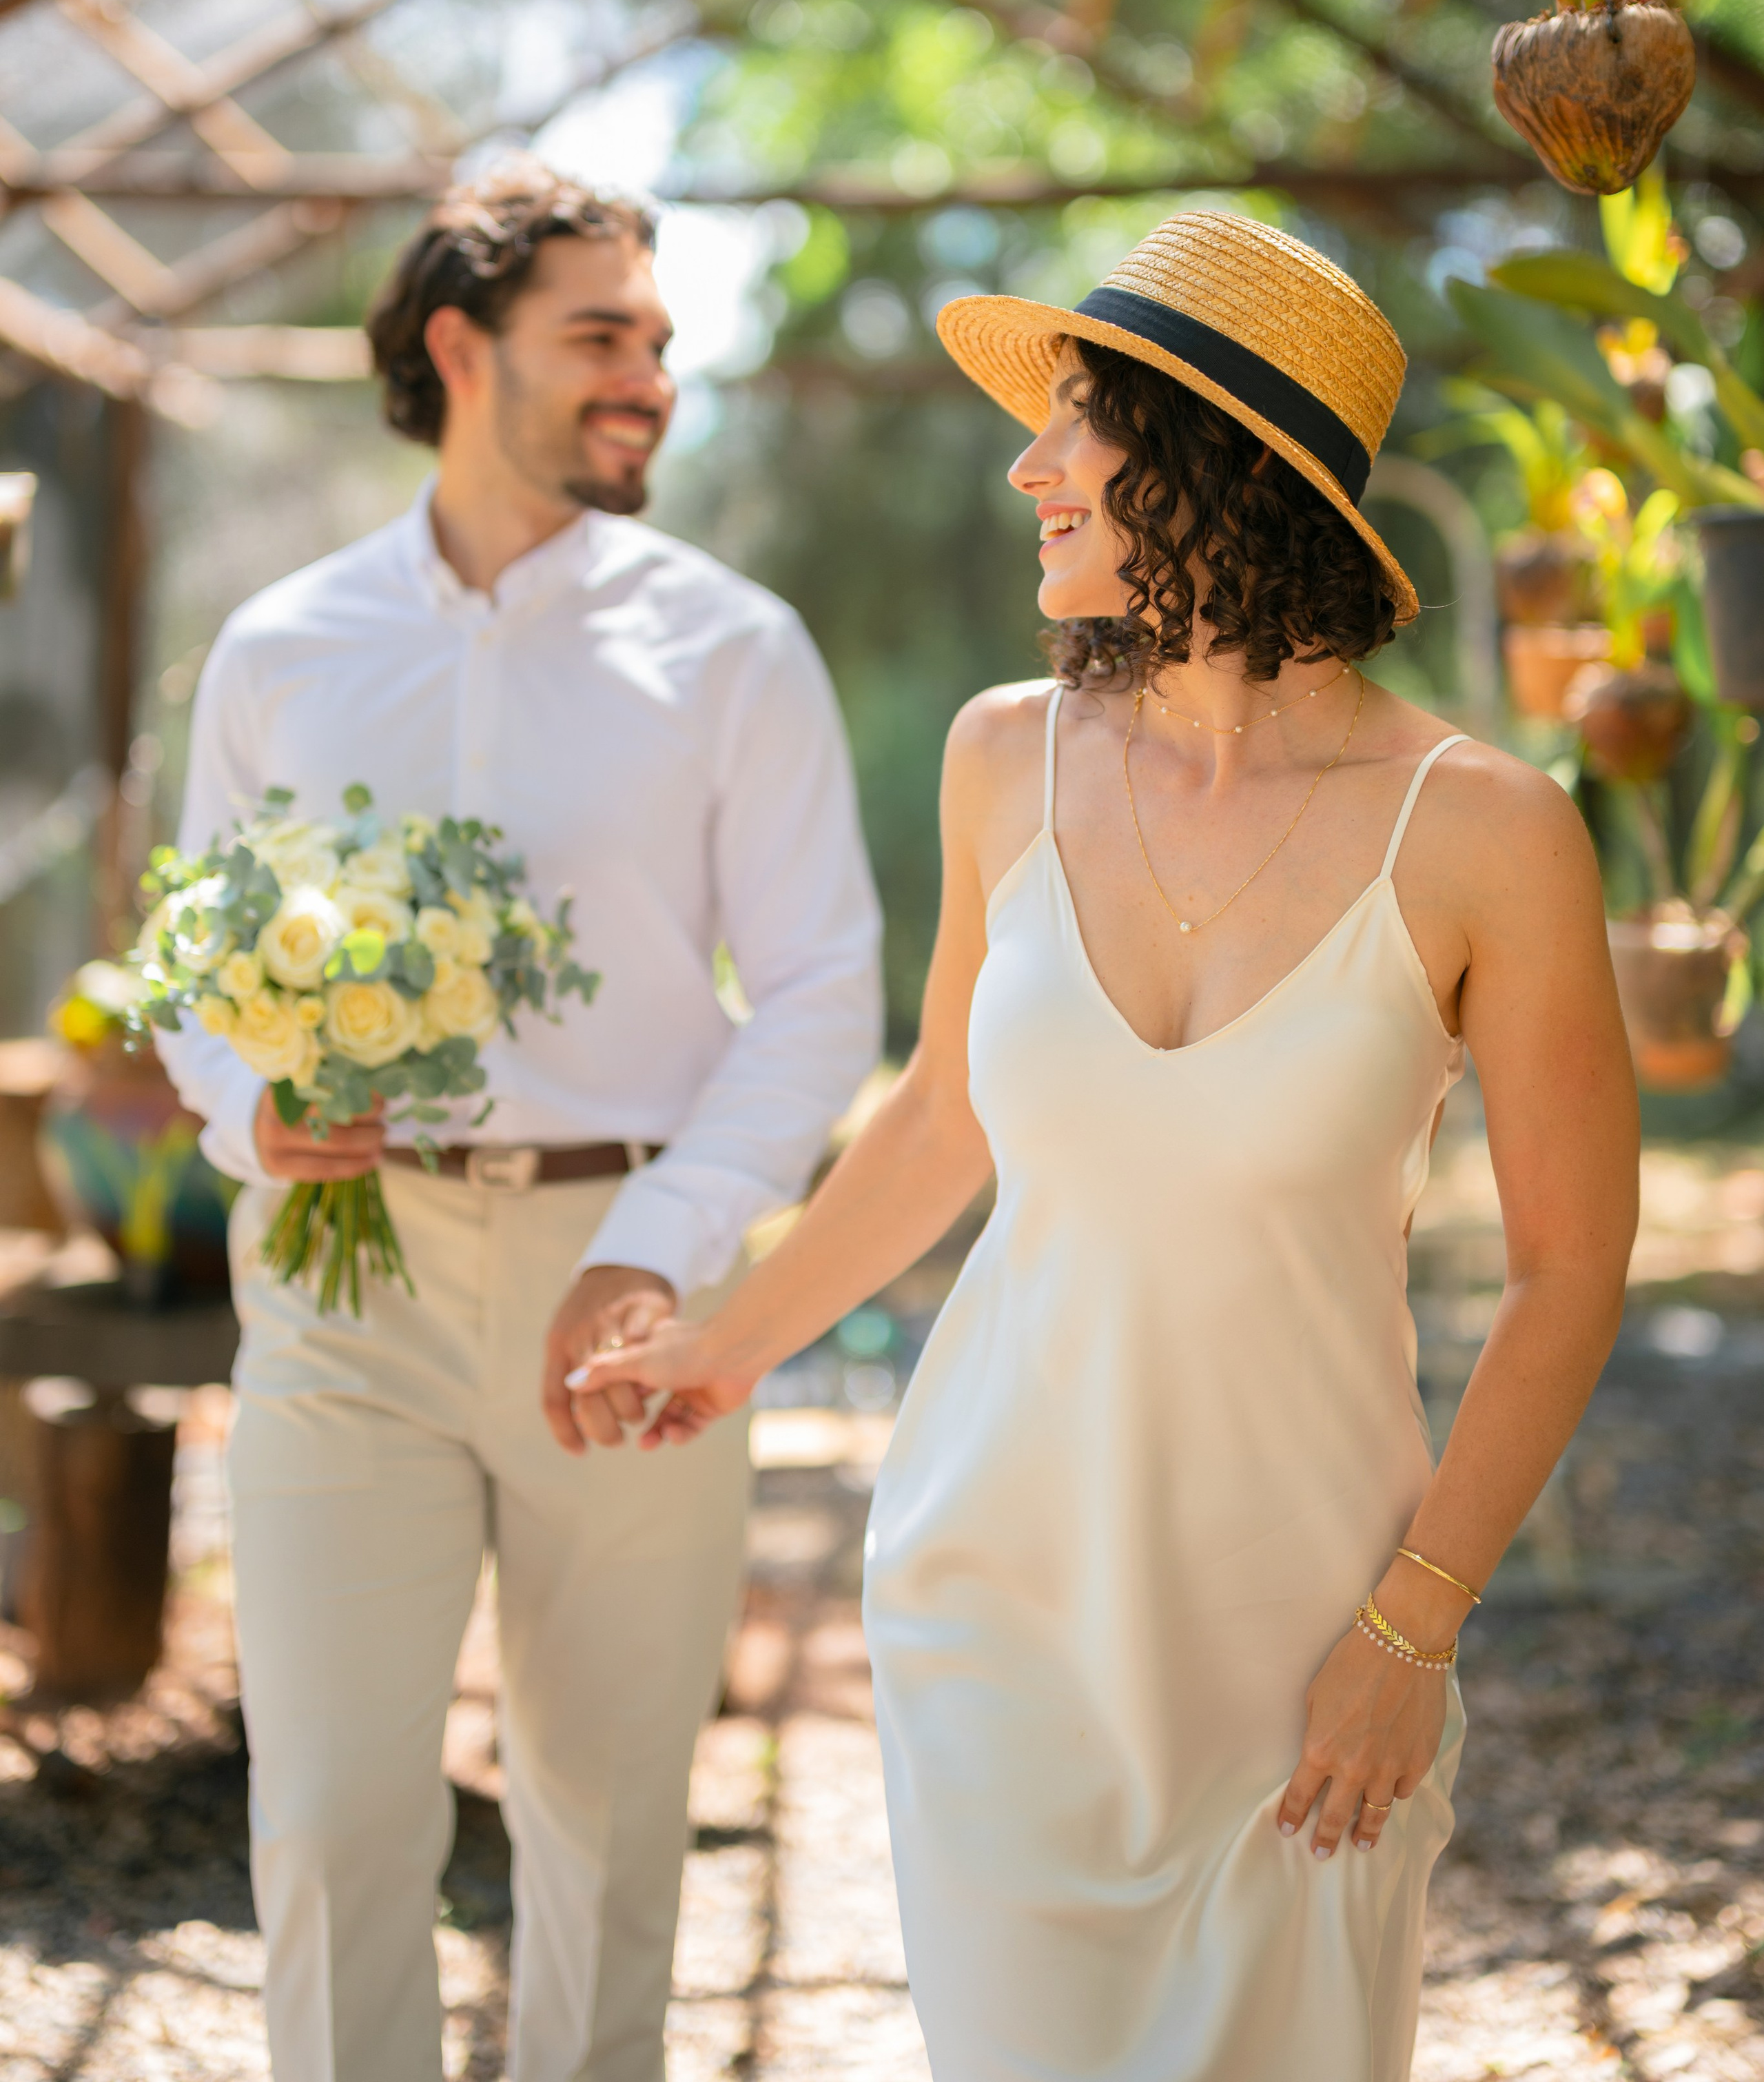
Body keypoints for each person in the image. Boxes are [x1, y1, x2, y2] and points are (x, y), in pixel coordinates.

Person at [571, 210, 1641, 2081]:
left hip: (1313, 1634)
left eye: (1081, 422)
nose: (1028, 464)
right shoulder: (1005, 760)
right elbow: (937, 1125)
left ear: (1223, 461)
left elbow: (1573, 1266)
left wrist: (1415, 1631)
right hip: (997, 1594)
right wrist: (720, 1346)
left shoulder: (1487, 832)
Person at [159, 159, 882, 2082]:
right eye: (603, 337)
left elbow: (823, 995)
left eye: (660, 338)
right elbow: (185, 964)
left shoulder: (737, 649)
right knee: (328, 1824)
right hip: (342, 1284)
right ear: (461, 349)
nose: (651, 373)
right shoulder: (281, 646)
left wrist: (670, 1249)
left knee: (612, 1816)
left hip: (629, 1283)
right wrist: (249, 1105)